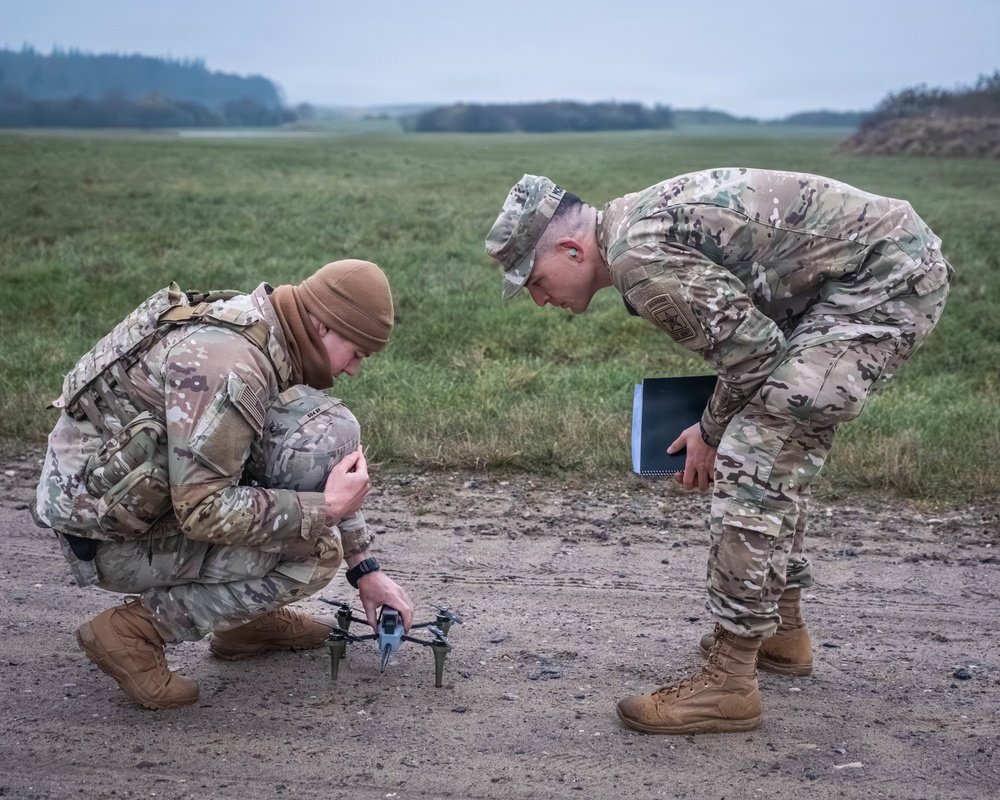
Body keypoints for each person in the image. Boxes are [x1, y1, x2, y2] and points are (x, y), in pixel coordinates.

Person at [484, 169, 951, 735]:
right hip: (860, 273)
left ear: (569, 249)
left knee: (755, 457)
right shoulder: (630, 225)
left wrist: (709, 432)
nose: (538, 299)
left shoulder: (638, 259)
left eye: (533, 279)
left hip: (881, 284)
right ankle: (782, 631)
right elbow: (745, 336)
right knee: (773, 440)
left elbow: (753, 357)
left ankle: (729, 682)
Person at [33, 260, 414, 710]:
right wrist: (323, 511)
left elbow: (299, 464)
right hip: (108, 536)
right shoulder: (232, 364)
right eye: (357, 353)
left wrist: (366, 569)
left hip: (133, 497)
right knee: (313, 551)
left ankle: (245, 621)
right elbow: (202, 511)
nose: (353, 370)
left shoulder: (261, 325)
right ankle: (135, 632)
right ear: (321, 325)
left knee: (312, 440)